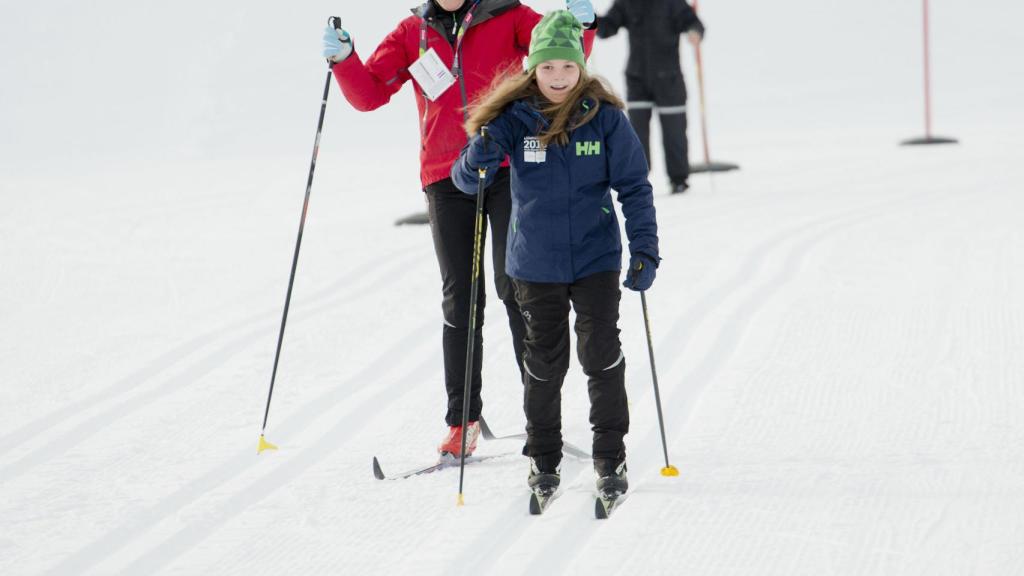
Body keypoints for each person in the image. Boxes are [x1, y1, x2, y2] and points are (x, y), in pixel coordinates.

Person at [320, 0, 596, 458]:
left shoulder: (508, 14)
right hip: (446, 178)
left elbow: (563, 60)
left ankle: (540, 416)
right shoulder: (413, 31)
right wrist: (345, 59)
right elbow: (369, 94)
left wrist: (584, 27)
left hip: (509, 169)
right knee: (461, 297)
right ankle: (462, 420)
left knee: (518, 288)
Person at [450, 10, 659, 497]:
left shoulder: (605, 118)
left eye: (567, 67)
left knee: (601, 355)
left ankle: (611, 456)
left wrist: (645, 248)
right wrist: (478, 159)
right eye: (548, 68)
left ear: (581, 67)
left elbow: (634, 187)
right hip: (535, 263)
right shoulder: (513, 119)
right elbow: (465, 181)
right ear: (533, 68)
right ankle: (543, 459)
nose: (558, 78)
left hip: (595, 259)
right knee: (543, 363)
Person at [596, 0, 705, 194]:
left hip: (669, 80)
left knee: (675, 132)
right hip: (637, 79)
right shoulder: (626, 3)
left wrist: (695, 32)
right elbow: (607, 29)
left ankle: (678, 179)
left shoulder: (673, 2)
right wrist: (590, 20)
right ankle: (637, 179)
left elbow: (692, 22)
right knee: (636, 135)